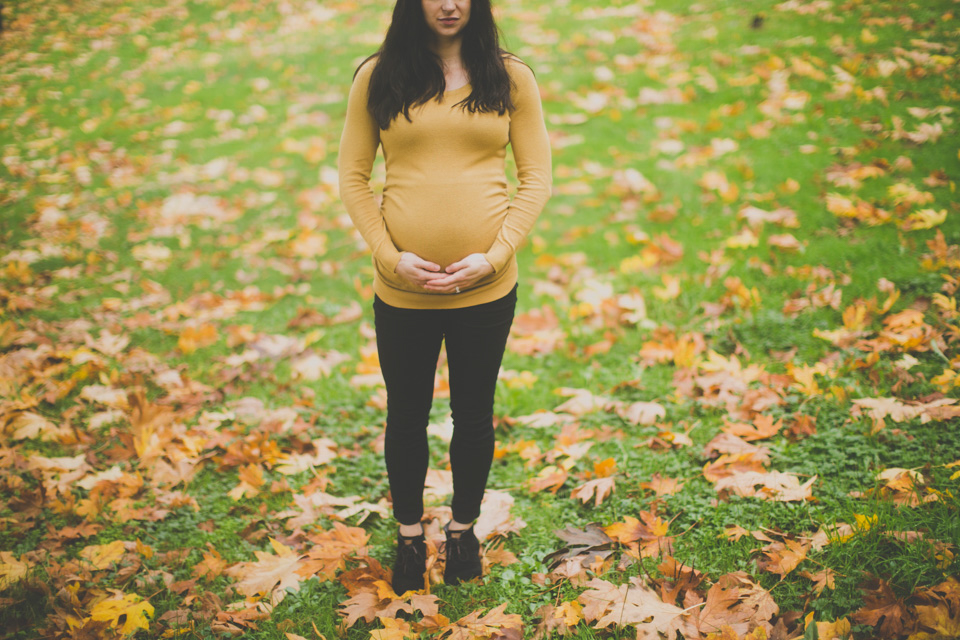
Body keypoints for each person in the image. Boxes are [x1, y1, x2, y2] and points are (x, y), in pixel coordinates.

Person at [337, 0, 551, 594]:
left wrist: (495, 255)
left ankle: (462, 531)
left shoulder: (509, 76)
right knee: (406, 415)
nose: (449, 3)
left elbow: (536, 177)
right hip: (403, 292)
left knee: (473, 415)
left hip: (487, 289)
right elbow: (353, 175)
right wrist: (390, 257)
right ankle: (409, 539)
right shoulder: (379, 75)